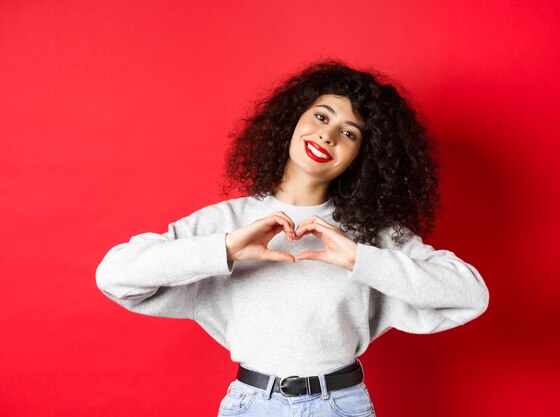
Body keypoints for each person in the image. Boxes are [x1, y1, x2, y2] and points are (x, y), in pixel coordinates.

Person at [95, 60, 490, 417]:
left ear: (362, 157)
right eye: (321, 116)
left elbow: (470, 294)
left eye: (348, 133)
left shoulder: (372, 233)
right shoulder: (228, 222)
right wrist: (226, 249)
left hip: (341, 405)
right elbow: (114, 275)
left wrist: (358, 259)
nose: (328, 136)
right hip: (250, 405)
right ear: (292, 120)